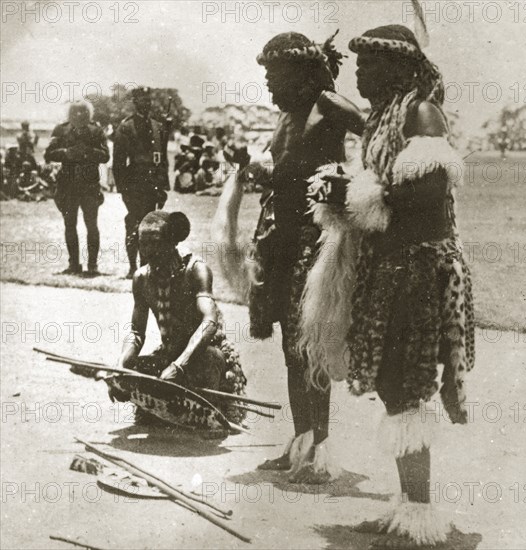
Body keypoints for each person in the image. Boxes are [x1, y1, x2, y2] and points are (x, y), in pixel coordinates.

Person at [308, 25, 475, 548]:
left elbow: (424, 196)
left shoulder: (421, 113)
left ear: (397, 66)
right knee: (392, 384)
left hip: (419, 270)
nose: (360, 72)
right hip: (390, 267)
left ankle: (421, 516)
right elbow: (380, 193)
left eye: (369, 64)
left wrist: (354, 194)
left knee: (407, 384)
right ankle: (406, 507)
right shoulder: (385, 117)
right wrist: (343, 190)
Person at [214, 32, 364, 484]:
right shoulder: (286, 117)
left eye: (275, 74)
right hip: (278, 242)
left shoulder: (330, 105)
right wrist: (251, 165)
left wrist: (346, 184)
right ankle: (300, 443)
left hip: (314, 245)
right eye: (265, 75)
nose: (268, 83)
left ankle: (320, 451)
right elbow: (280, 171)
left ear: (301, 72)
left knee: (309, 346)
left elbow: (380, 139)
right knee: (289, 349)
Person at [117, 210, 246, 423]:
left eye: (155, 244)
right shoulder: (141, 278)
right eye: (143, 244)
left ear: (172, 242)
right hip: (170, 356)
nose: (147, 252)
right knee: (135, 372)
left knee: (208, 361)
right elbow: (136, 332)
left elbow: (209, 322)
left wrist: (179, 365)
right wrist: (121, 368)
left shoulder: (196, 270)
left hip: (204, 355)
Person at [45, 102, 109, 275]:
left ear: (89, 113)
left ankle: (93, 265)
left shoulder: (96, 131)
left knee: (92, 226)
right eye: (76, 111)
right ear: (70, 113)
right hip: (68, 186)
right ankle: (74, 264)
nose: (80, 114)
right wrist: (67, 153)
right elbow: (48, 154)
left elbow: (105, 156)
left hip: (89, 186)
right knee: (69, 225)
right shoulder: (60, 130)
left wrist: (87, 152)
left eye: (83, 111)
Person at [113, 87, 170, 279]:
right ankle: (133, 267)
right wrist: (123, 188)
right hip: (134, 185)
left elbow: (162, 160)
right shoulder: (126, 127)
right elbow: (119, 162)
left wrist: (163, 186)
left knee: (150, 226)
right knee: (134, 224)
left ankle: (146, 266)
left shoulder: (159, 127)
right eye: (141, 100)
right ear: (135, 103)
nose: (146, 104)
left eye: (148, 100)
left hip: (153, 184)